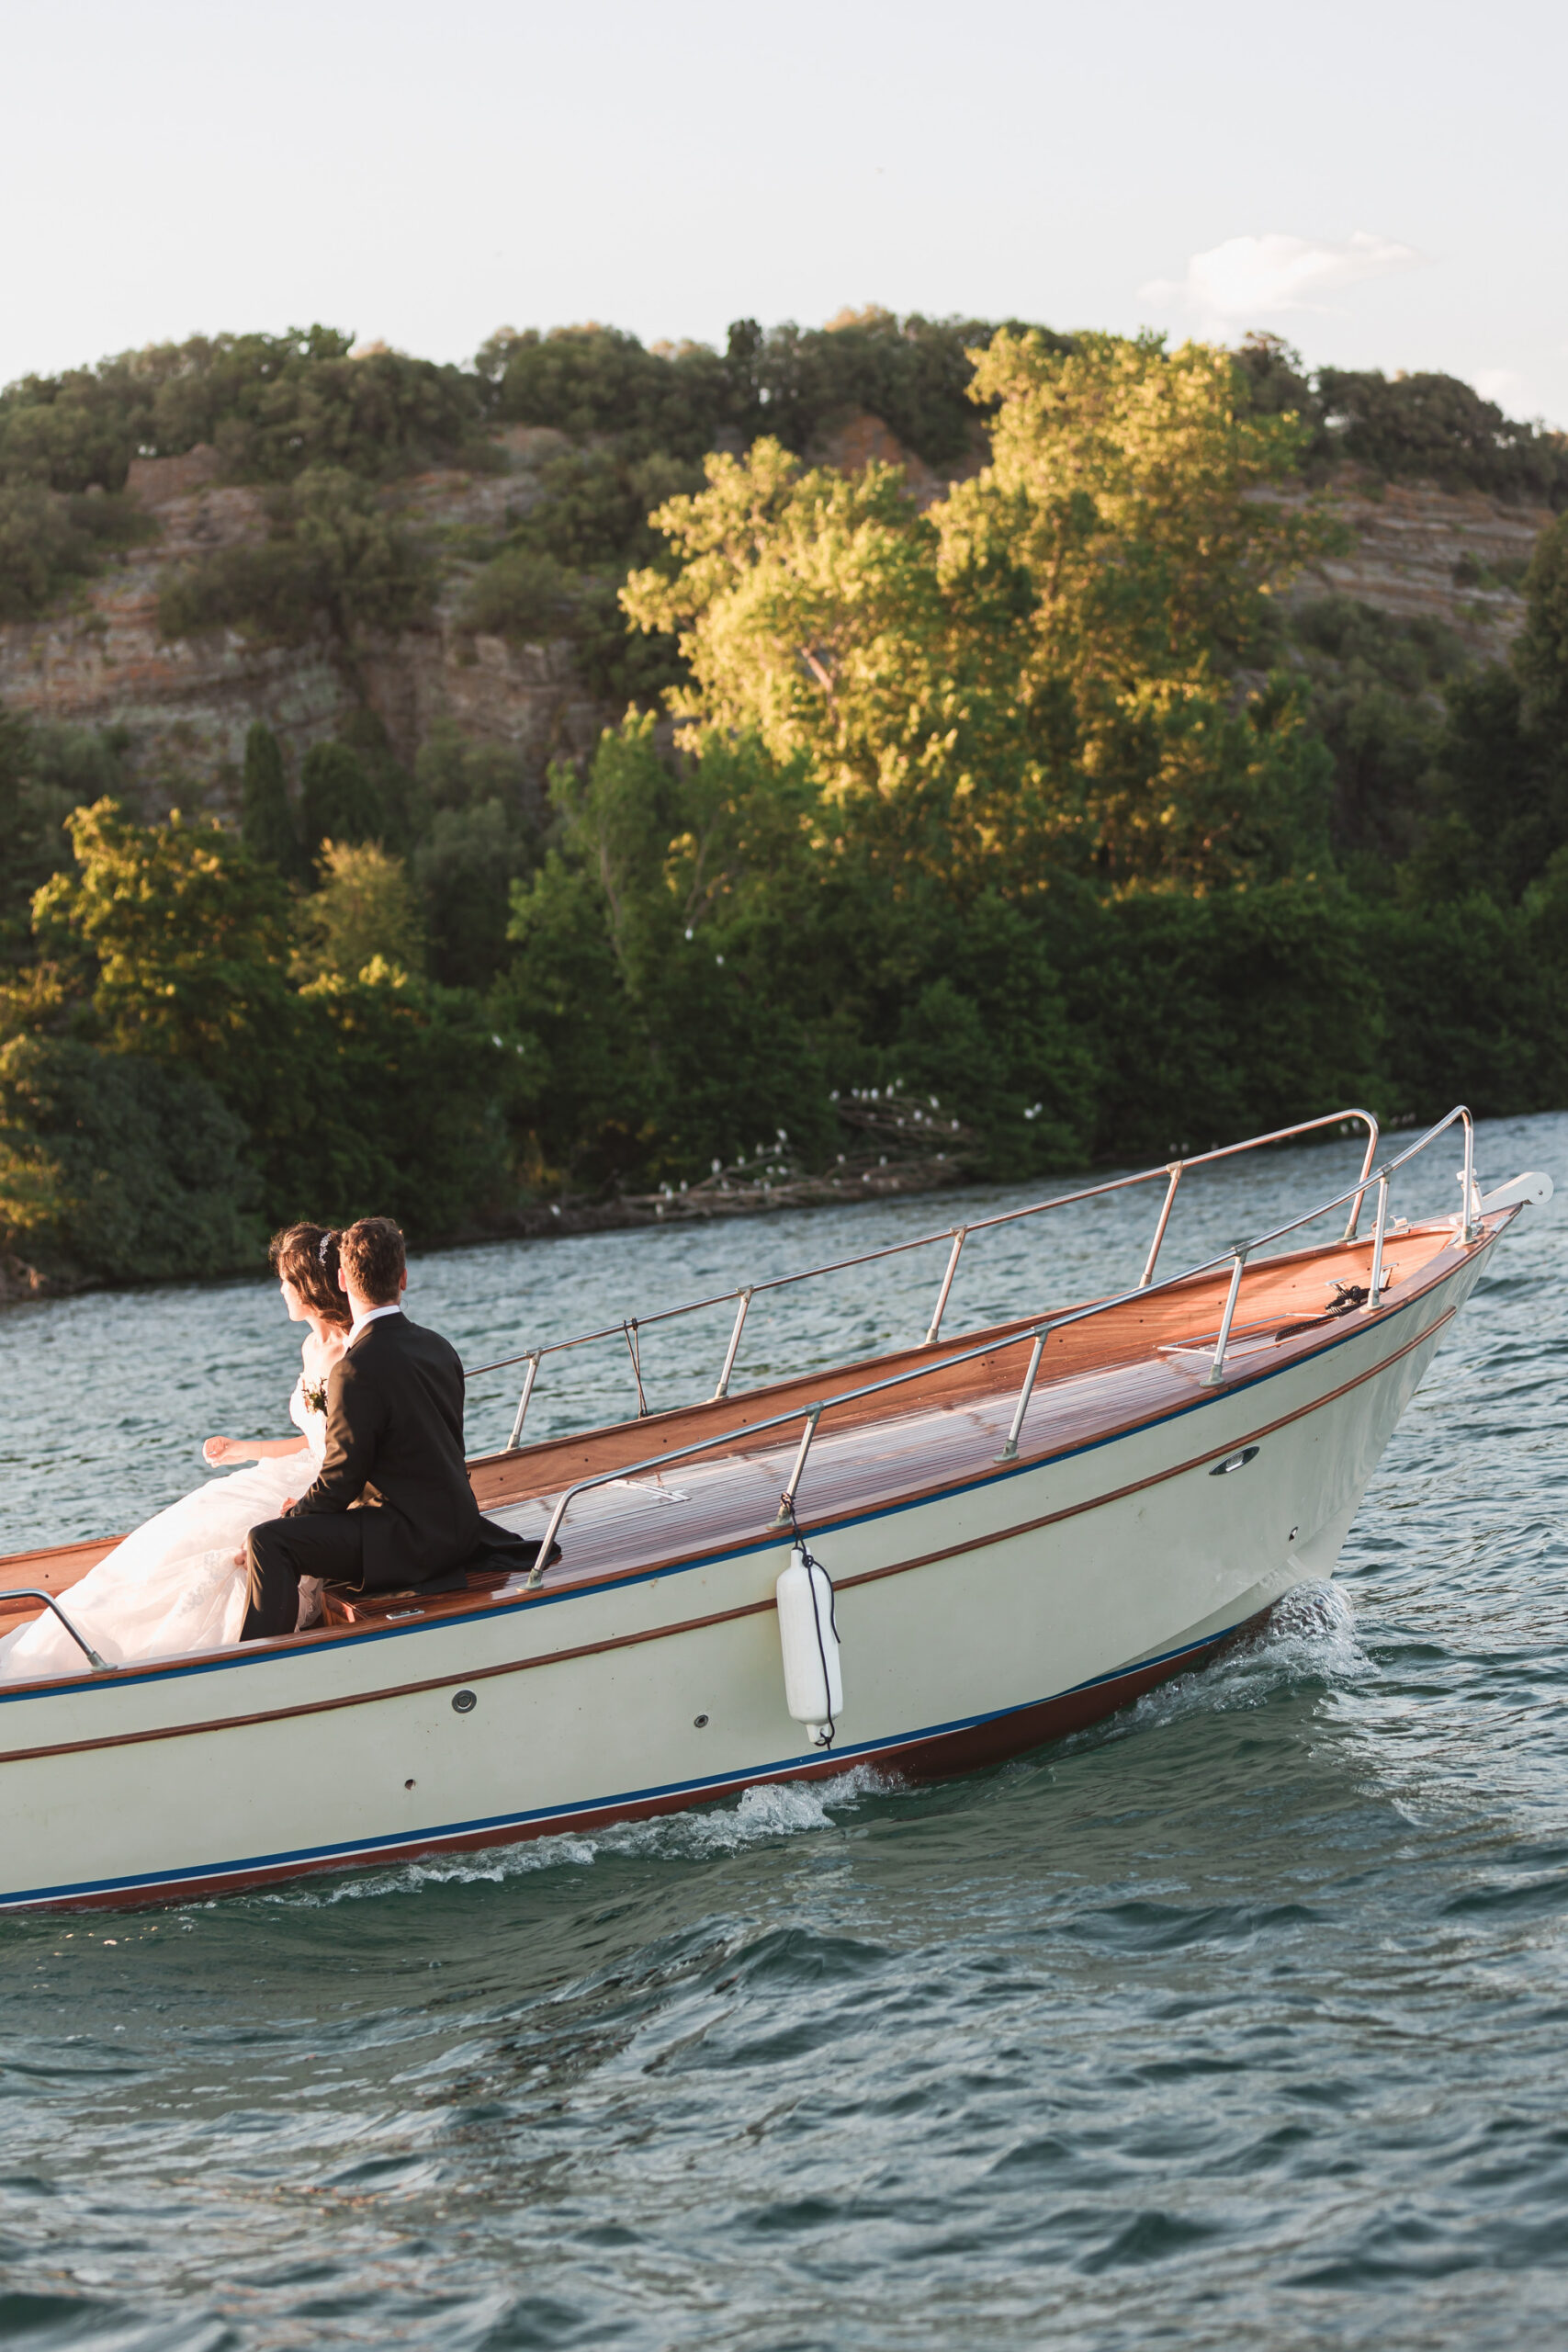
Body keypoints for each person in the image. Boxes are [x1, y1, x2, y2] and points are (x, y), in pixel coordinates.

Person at [0, 1226, 350, 1683]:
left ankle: (171, 1662)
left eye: (286, 1280)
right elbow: (312, 1439)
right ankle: (61, 1646)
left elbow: (340, 1451)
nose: (281, 1290)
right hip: (283, 1472)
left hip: (318, 1485)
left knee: (222, 1554)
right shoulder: (310, 1347)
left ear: (307, 1285)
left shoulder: (350, 1355)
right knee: (168, 1536)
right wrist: (245, 1450)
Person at [242, 1216, 551, 1640]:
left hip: (409, 1542)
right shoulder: (438, 1346)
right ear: (403, 1279)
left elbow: (339, 1482)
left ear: (343, 1281)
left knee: (267, 1541)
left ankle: (255, 1666)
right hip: (460, 1529)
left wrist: (293, 1518)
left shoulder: (354, 1369)